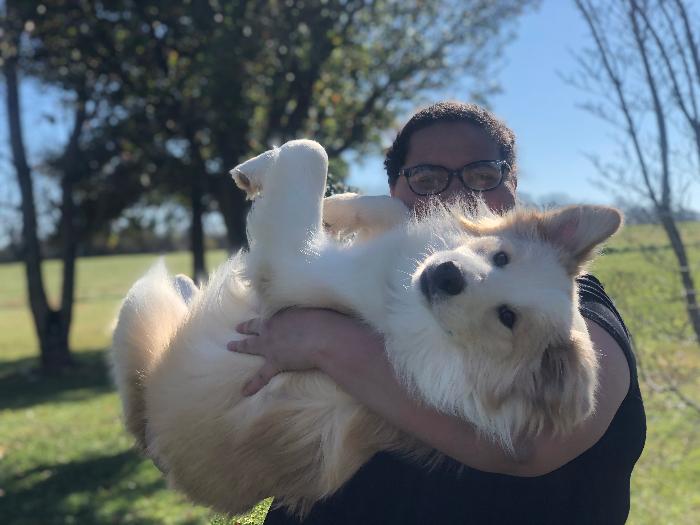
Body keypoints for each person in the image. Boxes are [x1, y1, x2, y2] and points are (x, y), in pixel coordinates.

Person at [228, 102, 646, 524]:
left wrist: (325, 340)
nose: (458, 195)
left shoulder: (571, 308)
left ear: (513, 184)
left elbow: (532, 446)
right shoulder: (391, 270)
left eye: (483, 175)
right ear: (395, 189)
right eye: (427, 179)